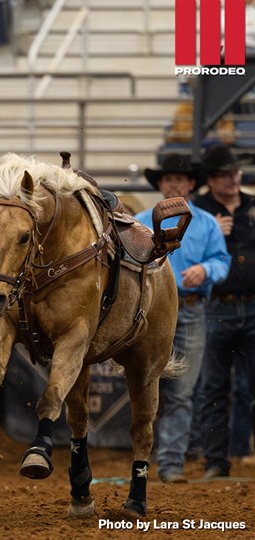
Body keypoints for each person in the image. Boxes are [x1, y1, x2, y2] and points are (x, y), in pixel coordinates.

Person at [134, 153, 229, 483]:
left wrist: (206, 269)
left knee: (182, 391)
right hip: (150, 311)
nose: (173, 184)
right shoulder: (139, 223)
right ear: (161, 185)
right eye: (168, 179)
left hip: (189, 309)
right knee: (146, 385)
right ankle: (146, 457)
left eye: (179, 179)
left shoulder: (207, 224)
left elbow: (222, 260)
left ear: (190, 184)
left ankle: (170, 463)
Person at [191, 145, 255, 479]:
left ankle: (233, 454)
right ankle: (216, 460)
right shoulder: (199, 212)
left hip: (250, 303)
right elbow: (185, 255)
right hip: (214, 306)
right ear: (211, 180)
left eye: (235, 173)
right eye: (225, 175)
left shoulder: (252, 206)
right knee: (213, 388)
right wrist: (212, 234)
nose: (233, 179)